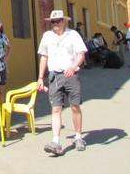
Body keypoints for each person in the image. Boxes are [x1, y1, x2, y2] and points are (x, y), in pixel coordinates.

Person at [37, 10, 88, 156]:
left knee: (74, 106)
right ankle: (56, 141)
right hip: (55, 76)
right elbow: (44, 57)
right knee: (56, 108)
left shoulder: (73, 35)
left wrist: (73, 67)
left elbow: (81, 54)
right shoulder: (47, 36)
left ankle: (78, 137)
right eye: (53, 21)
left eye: (58, 21)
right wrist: (40, 77)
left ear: (64, 21)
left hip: (71, 75)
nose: (55, 24)